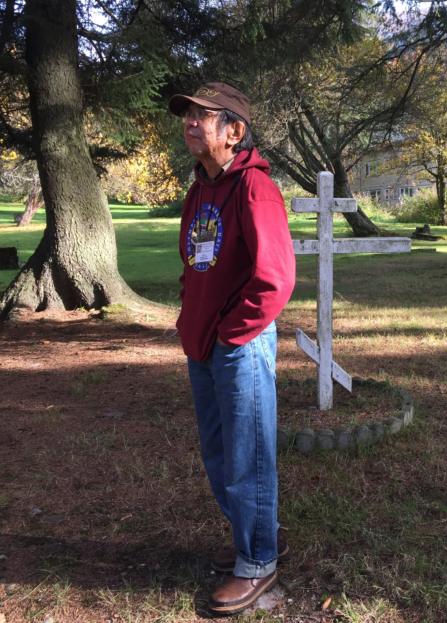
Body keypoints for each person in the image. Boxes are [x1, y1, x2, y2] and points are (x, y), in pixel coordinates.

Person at [168, 81, 296, 616]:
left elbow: (275, 279)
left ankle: (258, 561)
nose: (190, 124)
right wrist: (191, 322)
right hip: (203, 342)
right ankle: (258, 535)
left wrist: (231, 333)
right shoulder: (200, 189)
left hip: (238, 345)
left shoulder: (254, 189)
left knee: (247, 454)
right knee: (219, 452)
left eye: (203, 116)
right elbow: (194, 265)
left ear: (234, 131)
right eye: (188, 116)